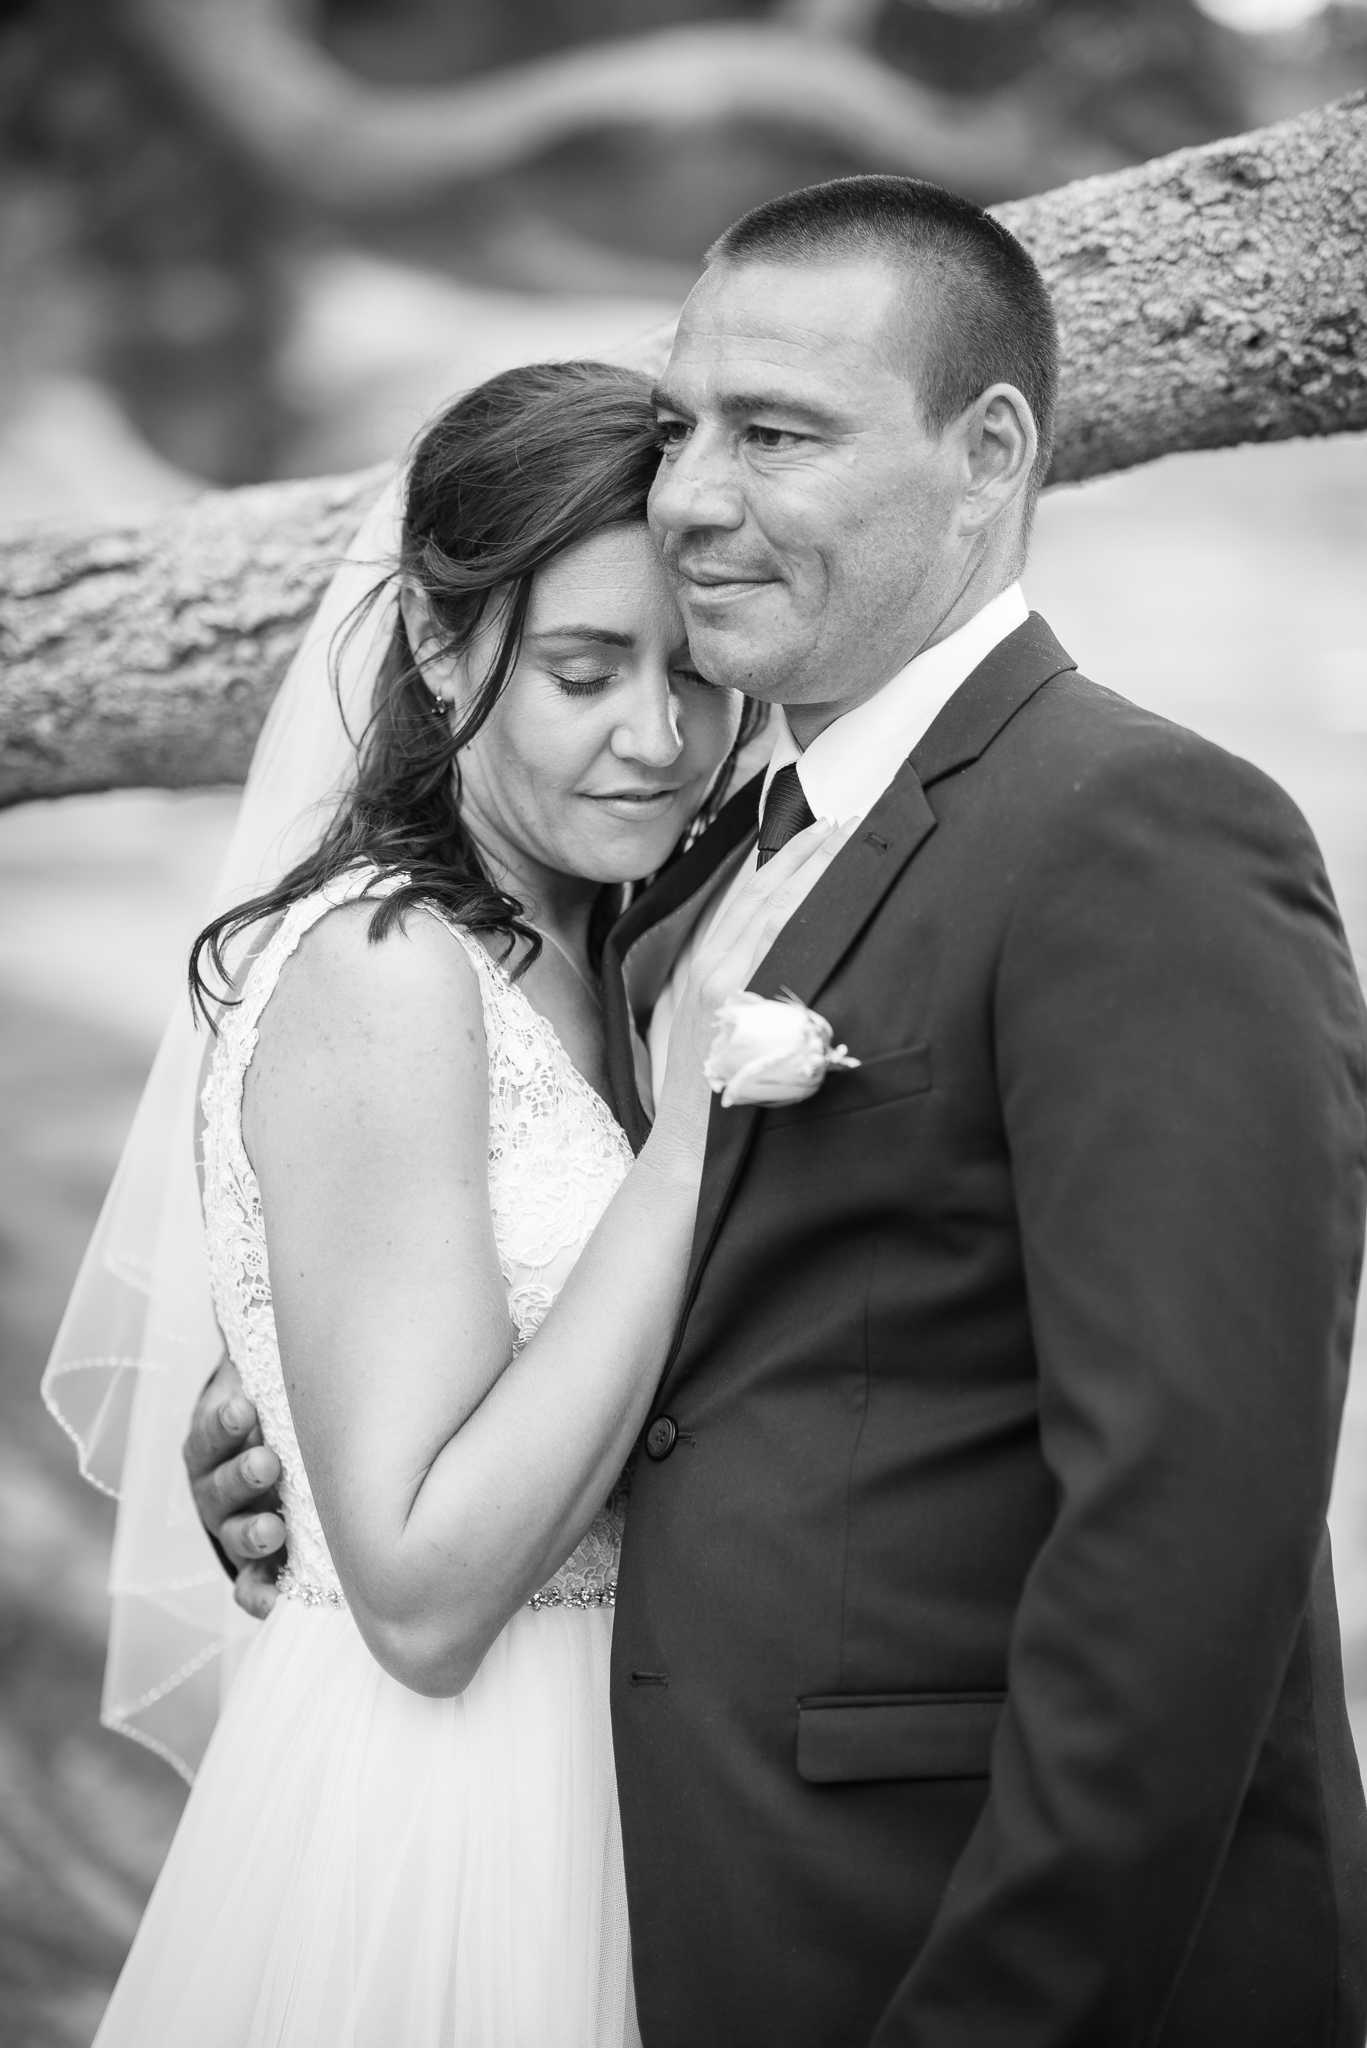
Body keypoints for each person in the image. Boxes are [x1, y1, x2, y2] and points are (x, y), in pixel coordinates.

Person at [192, 179, 1367, 2044]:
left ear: (988, 460)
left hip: (962, 1949)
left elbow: (1186, 1542)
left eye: (780, 434)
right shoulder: (688, 880)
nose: (695, 498)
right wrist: (291, 1394)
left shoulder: (1138, 834)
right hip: (669, 1894)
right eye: (687, 426)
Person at [87, 357, 846, 2048]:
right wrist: (683, 1149)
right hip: (456, 1811)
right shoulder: (384, 970)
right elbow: (422, 1594)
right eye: (582, 671)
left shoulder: (631, 941)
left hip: (657, 1783)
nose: (657, 738)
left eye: (695, 671)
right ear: (441, 648)